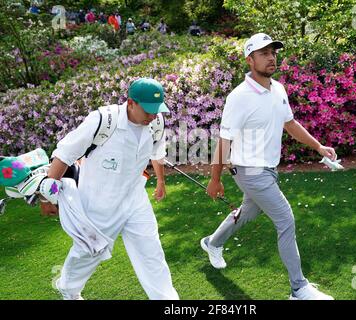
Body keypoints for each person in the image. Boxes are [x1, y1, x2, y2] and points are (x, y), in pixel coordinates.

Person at [202, 33, 336, 300]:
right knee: (285, 219)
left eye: (273, 52)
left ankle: (212, 242)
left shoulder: (278, 89)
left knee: (249, 212)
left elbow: (290, 124)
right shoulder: (239, 97)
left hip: (268, 169)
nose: (271, 57)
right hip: (249, 170)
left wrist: (319, 147)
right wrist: (214, 179)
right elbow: (224, 141)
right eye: (264, 53)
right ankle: (298, 289)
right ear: (250, 60)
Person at [41, 78, 179, 300]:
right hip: (98, 202)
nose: (153, 115)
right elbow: (64, 154)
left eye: (157, 110)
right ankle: (68, 289)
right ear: (131, 102)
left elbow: (157, 153)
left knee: (151, 252)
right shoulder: (102, 120)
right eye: (148, 110)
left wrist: (161, 182)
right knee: (87, 253)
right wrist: (46, 197)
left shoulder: (156, 122)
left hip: (135, 199)